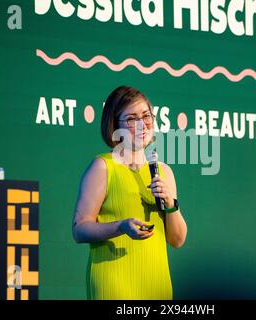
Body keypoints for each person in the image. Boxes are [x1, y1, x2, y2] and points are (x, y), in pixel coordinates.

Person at [72, 86, 187, 300]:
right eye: (132, 119)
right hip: (114, 281)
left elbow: (177, 239)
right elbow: (79, 230)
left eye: (146, 116)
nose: (142, 125)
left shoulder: (164, 172)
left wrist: (171, 203)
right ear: (115, 125)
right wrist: (121, 226)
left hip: (156, 284)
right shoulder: (103, 167)